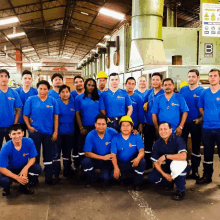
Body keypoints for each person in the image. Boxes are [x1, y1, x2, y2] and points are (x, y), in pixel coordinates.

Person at [23, 80, 59, 185]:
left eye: (45, 89)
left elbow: (56, 117)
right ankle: (34, 177)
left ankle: (48, 176)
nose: (42, 91)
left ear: (49, 89)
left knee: (48, 155)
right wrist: (29, 127)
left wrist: (55, 132)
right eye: (40, 88)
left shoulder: (53, 101)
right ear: (37, 88)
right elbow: (25, 115)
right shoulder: (31, 100)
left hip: (48, 132)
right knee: (35, 155)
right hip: (35, 132)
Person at [148, 122, 190, 201]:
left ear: (171, 130)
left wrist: (166, 156)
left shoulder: (178, 139)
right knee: (151, 177)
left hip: (180, 165)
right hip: (167, 167)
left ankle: (181, 190)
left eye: (165, 129)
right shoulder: (157, 143)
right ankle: (169, 182)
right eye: (161, 129)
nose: (163, 131)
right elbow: (155, 162)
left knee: (180, 169)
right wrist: (164, 174)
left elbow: (184, 156)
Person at [0, 124, 42, 196]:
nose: (17, 136)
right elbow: (2, 168)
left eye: (19, 133)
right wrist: (17, 177)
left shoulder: (29, 142)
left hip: (22, 168)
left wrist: (25, 168)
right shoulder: (5, 148)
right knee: (4, 181)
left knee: (37, 168)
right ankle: (6, 188)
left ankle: (24, 186)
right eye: (14, 134)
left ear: (23, 133)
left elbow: (32, 158)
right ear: (10, 135)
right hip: (9, 170)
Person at [179, 69, 204, 180]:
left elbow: (205, 108)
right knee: (182, 147)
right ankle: (184, 169)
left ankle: (195, 170)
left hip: (196, 123)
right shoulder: (182, 90)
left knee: (196, 147)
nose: (191, 79)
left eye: (193, 76)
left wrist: (200, 119)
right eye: (189, 76)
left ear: (198, 78)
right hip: (183, 123)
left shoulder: (202, 91)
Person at [196, 69, 220, 184]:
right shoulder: (204, 93)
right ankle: (207, 176)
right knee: (208, 153)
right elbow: (201, 108)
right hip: (207, 128)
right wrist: (206, 116)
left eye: (215, 76)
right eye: (210, 76)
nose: (212, 78)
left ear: (219, 78)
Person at [81, 114, 117, 187]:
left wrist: (134, 132)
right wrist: (102, 157)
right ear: (95, 124)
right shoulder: (90, 135)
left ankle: (106, 173)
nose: (101, 126)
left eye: (103, 124)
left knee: (106, 179)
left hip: (108, 160)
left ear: (106, 125)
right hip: (96, 158)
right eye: (99, 124)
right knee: (85, 162)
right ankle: (93, 179)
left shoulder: (112, 132)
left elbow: (123, 138)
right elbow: (87, 153)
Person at [111, 116, 146, 191]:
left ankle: (137, 183)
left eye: (128, 125)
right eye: (123, 125)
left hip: (133, 163)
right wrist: (116, 168)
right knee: (113, 177)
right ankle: (125, 177)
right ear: (120, 127)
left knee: (142, 161)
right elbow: (113, 155)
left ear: (132, 127)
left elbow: (142, 152)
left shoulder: (137, 136)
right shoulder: (115, 137)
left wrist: (137, 158)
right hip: (121, 163)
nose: (125, 128)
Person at [75, 78, 102, 163]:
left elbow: (102, 111)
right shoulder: (78, 98)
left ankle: (94, 166)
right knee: (83, 147)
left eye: (93, 85)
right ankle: (82, 166)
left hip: (96, 127)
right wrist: (81, 127)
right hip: (85, 126)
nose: (90, 87)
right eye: (89, 85)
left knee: (96, 146)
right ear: (85, 85)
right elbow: (77, 114)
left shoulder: (99, 97)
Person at [53, 85, 75, 180]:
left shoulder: (73, 102)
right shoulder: (56, 103)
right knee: (56, 153)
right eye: (62, 92)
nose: (65, 94)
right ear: (59, 93)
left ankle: (67, 171)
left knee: (67, 153)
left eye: (67, 92)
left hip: (70, 133)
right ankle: (56, 173)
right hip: (59, 133)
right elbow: (55, 118)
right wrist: (55, 132)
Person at [143, 72, 164, 169]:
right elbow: (143, 102)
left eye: (157, 80)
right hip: (148, 123)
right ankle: (148, 164)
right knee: (147, 145)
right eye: (153, 80)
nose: (155, 82)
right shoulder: (149, 92)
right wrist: (145, 104)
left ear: (161, 81)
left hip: (160, 125)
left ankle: (159, 165)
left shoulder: (164, 93)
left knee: (160, 145)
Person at [0, 69, 22, 149]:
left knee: (12, 149)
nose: (4, 78)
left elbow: (18, 111)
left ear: (8, 79)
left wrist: (14, 125)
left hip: (10, 127)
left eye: (6, 76)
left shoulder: (14, 93)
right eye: (1, 76)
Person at [15, 70, 38, 137]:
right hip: (19, 120)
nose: (27, 80)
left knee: (32, 139)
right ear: (21, 79)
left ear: (32, 80)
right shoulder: (16, 92)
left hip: (31, 120)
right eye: (25, 78)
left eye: (29, 78)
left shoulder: (35, 92)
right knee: (21, 139)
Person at [71, 75, 85, 169]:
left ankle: (87, 163)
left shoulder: (89, 93)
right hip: (74, 123)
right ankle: (77, 164)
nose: (78, 83)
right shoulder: (71, 94)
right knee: (75, 143)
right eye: (76, 82)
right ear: (73, 84)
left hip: (87, 122)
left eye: (80, 81)